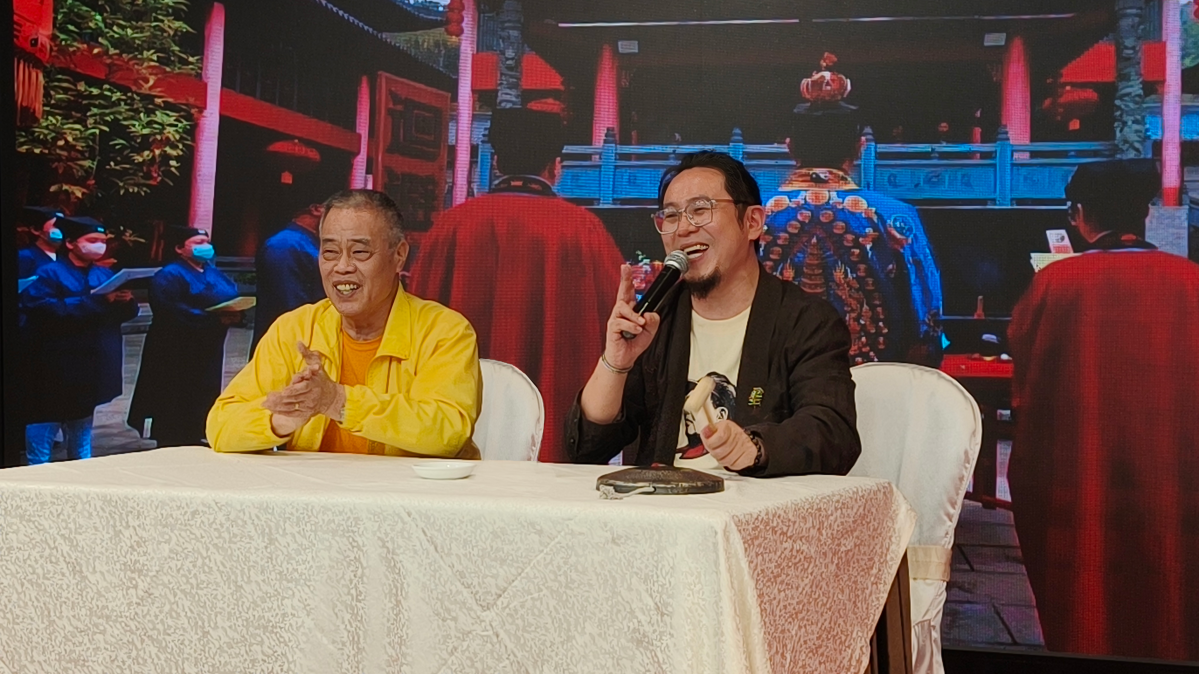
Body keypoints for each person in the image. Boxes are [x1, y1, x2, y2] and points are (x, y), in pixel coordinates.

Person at [1007, 159, 1199, 661]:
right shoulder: (1191, 282)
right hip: (1175, 476)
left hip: (1083, 474)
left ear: (1078, 214)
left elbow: (1026, 375)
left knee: (1087, 588)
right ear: (1146, 212)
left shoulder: (1057, 283)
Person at [565, 151, 860, 476]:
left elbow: (833, 432)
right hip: (661, 501)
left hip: (756, 504)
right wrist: (616, 363)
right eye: (671, 215)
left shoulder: (807, 321)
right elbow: (587, 448)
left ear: (752, 222)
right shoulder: (655, 320)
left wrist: (754, 448)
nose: (683, 228)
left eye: (700, 210)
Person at [408, 100, 623, 461]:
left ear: (496, 162)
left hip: (455, 416)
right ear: (555, 167)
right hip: (552, 425)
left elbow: (417, 313)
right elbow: (614, 318)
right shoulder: (582, 230)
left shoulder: (451, 225)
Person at [207, 189, 482, 458]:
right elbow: (221, 425)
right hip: (315, 488)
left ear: (399, 256)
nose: (342, 267)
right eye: (330, 252)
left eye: (360, 252)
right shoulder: (295, 329)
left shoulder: (444, 331)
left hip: (407, 488)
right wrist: (279, 420)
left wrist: (338, 401)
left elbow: (448, 431)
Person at [761, 110, 944, 366]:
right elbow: (925, 310)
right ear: (860, 147)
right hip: (868, 377)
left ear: (790, 147)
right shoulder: (894, 215)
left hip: (771, 373)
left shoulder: (752, 214)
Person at [21, 215, 140, 464]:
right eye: (92, 240)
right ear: (71, 243)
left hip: (93, 360)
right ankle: (37, 472)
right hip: (57, 360)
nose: (99, 245)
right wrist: (97, 301)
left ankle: (82, 468)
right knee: (46, 421)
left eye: (102, 241)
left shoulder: (104, 273)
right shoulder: (49, 273)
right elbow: (43, 309)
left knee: (82, 423)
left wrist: (126, 302)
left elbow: (122, 314)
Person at [127, 227, 242, 448]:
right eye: (198, 242)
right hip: (176, 346)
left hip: (208, 345)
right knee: (174, 392)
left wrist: (234, 313)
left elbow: (230, 293)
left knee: (204, 389)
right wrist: (210, 319)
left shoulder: (211, 271)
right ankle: (171, 437)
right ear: (179, 248)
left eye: (206, 242)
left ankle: (197, 431)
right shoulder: (169, 274)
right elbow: (169, 309)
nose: (205, 246)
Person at [252, 203, 326, 351]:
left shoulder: (307, 242)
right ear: (316, 209)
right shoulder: (285, 245)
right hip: (289, 345)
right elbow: (290, 306)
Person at [18, 206, 64, 279]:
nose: (62, 230)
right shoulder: (25, 256)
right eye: (56, 226)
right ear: (36, 230)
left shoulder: (63, 258)